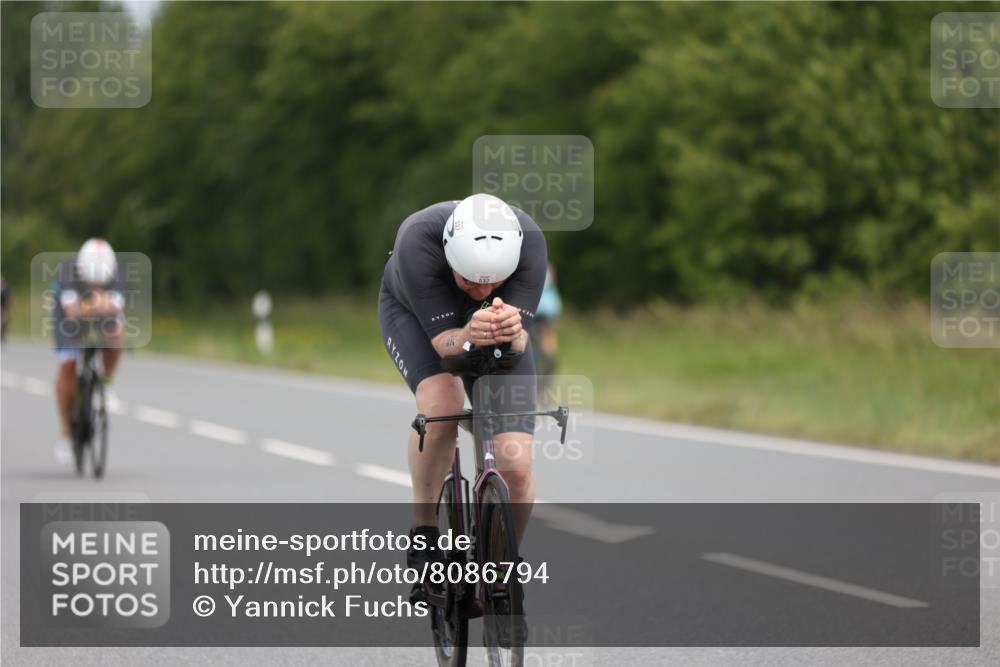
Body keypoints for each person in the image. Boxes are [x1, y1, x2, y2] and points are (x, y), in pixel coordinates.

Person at [378, 193, 547, 569]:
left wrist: (512, 332)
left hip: (489, 328)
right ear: (451, 258)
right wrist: (470, 331)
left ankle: (501, 566)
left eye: (495, 282)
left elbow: (518, 343)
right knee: (443, 404)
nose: (485, 292)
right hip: (416, 316)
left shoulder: (530, 241)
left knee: (515, 465)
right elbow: (448, 348)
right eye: (470, 281)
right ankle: (423, 530)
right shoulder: (418, 241)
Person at [51, 238, 125, 464]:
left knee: (116, 335)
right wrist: (97, 303)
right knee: (69, 365)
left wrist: (94, 305)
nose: (98, 285)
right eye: (93, 281)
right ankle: (66, 432)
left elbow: (115, 308)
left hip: (97, 315)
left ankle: (106, 383)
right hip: (67, 319)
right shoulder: (68, 270)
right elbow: (72, 312)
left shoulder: (117, 273)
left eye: (102, 282)